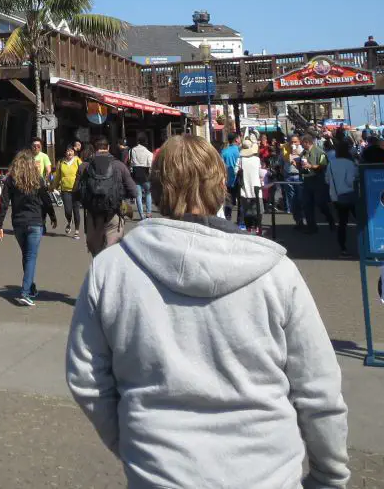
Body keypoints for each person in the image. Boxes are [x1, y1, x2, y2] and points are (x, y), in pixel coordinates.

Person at [66, 134, 349, 489]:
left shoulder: (111, 269)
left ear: (156, 188)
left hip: (159, 473)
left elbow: (87, 379)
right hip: (268, 471)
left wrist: (135, 445)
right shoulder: (276, 271)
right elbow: (318, 388)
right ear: (221, 186)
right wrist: (329, 474)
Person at [0, 150, 53, 306]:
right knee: (30, 256)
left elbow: (4, 203)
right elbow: (46, 200)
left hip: (18, 223)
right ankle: (25, 293)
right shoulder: (37, 179)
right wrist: (52, 216)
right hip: (35, 222)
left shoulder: (11, 180)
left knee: (26, 255)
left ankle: (31, 288)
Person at [78, 137, 136, 256]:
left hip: (93, 215)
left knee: (96, 254)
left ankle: (98, 267)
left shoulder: (84, 166)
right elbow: (134, 191)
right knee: (112, 253)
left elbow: (76, 191)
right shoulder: (119, 165)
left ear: (94, 148)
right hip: (114, 213)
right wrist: (121, 196)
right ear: (108, 148)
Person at [325, 140, 360, 257]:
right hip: (350, 195)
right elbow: (350, 181)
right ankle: (365, 246)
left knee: (342, 223)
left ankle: (343, 249)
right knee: (360, 221)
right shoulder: (350, 163)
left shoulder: (331, 164)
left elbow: (327, 180)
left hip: (336, 196)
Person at [301, 134, 335, 235]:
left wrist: (311, 166)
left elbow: (323, 166)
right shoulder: (303, 152)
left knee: (320, 203)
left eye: (303, 143)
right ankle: (312, 227)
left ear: (307, 142)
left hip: (317, 180)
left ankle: (330, 219)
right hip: (307, 180)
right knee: (307, 204)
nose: (302, 145)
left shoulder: (320, 152)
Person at [57, 145, 83, 239]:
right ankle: (69, 221)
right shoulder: (61, 162)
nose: (69, 153)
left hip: (76, 190)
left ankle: (77, 231)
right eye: (67, 151)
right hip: (65, 190)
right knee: (68, 210)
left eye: (71, 151)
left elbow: (83, 173)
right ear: (65, 152)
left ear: (74, 152)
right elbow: (57, 176)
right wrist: (53, 186)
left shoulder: (78, 161)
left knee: (76, 210)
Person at [32, 139, 58, 230]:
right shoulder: (28, 156)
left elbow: (48, 169)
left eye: (38, 146)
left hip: (40, 183)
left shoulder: (44, 156)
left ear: (41, 147)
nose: (36, 148)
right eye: (34, 146)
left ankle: (51, 219)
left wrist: (48, 178)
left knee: (45, 203)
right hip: (30, 184)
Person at [239, 135, 263, 234]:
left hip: (245, 187)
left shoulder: (240, 160)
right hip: (256, 186)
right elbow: (260, 173)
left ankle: (249, 227)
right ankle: (257, 227)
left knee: (247, 209)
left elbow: (237, 172)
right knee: (258, 209)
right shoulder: (257, 159)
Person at [128, 138, 153, 220]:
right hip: (146, 175)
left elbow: (130, 163)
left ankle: (141, 215)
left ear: (138, 142)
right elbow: (150, 165)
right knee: (148, 194)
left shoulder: (131, 151)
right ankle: (148, 213)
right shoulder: (149, 153)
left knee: (138, 195)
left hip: (136, 174)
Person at [220, 133, 242, 221]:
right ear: (236, 140)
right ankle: (240, 220)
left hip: (227, 180)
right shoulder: (240, 151)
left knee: (228, 202)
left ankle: (228, 219)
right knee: (240, 201)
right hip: (239, 179)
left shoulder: (224, 151)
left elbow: (221, 167)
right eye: (239, 138)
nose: (240, 140)